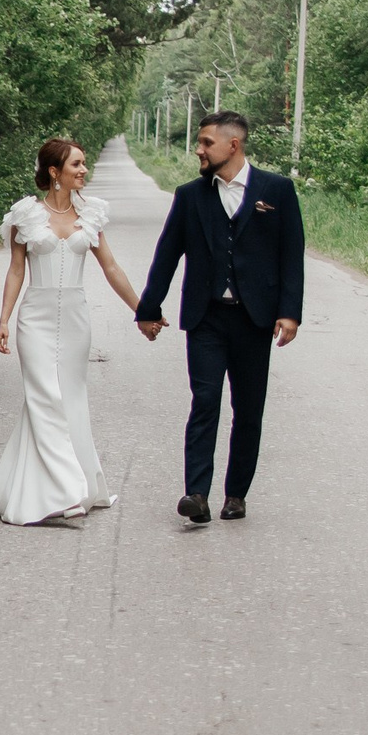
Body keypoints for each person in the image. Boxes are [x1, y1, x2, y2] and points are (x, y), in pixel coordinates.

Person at [133, 110, 305, 524]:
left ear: (234, 144)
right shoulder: (190, 195)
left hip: (255, 319)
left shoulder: (276, 191)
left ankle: (236, 495)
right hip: (206, 316)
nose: (199, 149)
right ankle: (196, 494)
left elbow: (291, 256)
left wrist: (289, 313)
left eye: (207, 142)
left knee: (248, 409)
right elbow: (167, 254)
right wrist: (148, 309)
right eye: (200, 142)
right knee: (205, 401)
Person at [0, 138, 143, 525]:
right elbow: (17, 270)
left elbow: (112, 268)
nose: (84, 170)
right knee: (43, 398)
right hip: (34, 319)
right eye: (77, 165)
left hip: (75, 320)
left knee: (69, 398)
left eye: (84, 164)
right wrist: (3, 320)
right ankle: (65, 491)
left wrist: (142, 311)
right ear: (55, 172)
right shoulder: (26, 215)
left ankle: (34, 484)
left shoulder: (91, 215)